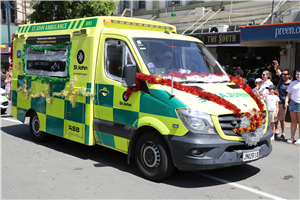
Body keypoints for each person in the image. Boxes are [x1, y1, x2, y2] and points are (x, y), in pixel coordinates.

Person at [273, 60, 292, 140]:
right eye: (283, 74)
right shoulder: (281, 77)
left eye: (285, 74)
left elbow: (290, 95)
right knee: (275, 118)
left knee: (282, 119)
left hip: (283, 103)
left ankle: (283, 133)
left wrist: (286, 103)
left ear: (289, 75)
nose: (283, 75)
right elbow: (277, 70)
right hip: (276, 101)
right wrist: (277, 65)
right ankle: (276, 130)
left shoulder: (291, 83)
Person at [285, 69, 300, 145]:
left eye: (299, 74)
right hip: (293, 103)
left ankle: (299, 138)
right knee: (293, 121)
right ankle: (292, 137)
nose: (298, 75)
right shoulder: (292, 83)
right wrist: (286, 102)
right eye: (297, 74)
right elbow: (288, 94)